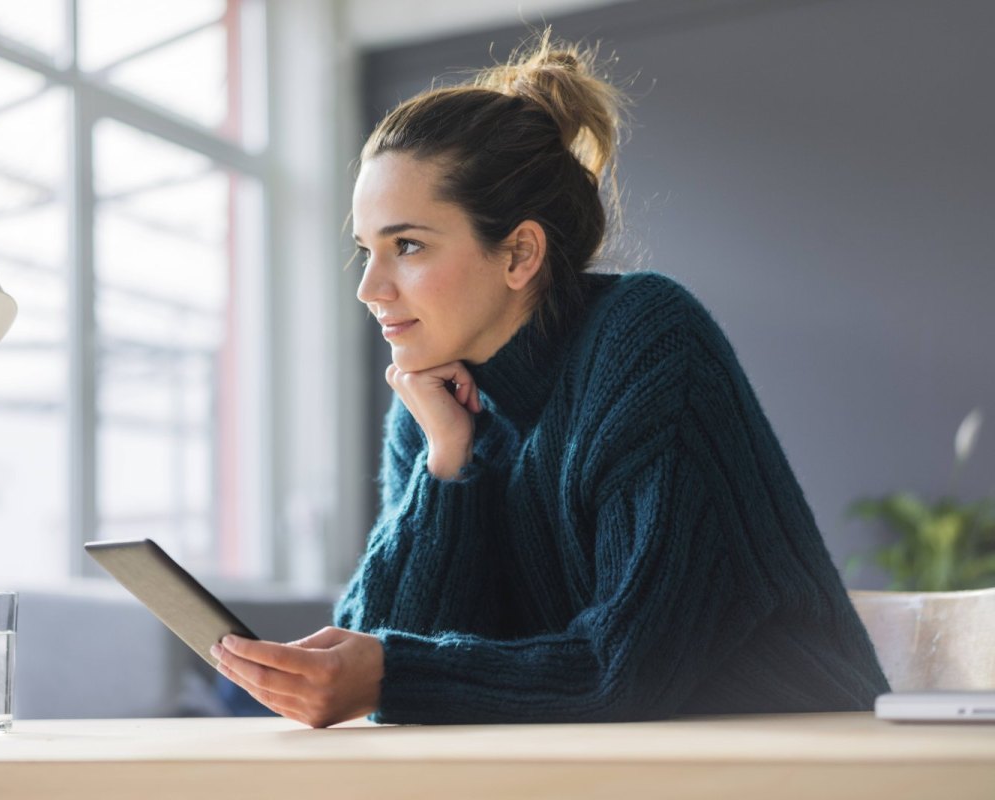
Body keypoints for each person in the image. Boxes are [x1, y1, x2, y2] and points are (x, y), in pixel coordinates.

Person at [209, 30, 891, 728]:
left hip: (801, 754)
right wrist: (446, 469)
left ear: (519, 253)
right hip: (607, 765)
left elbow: (627, 669)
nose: (370, 288)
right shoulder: (432, 400)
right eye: (367, 250)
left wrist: (390, 676)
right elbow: (373, 665)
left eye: (407, 245)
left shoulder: (647, 341)